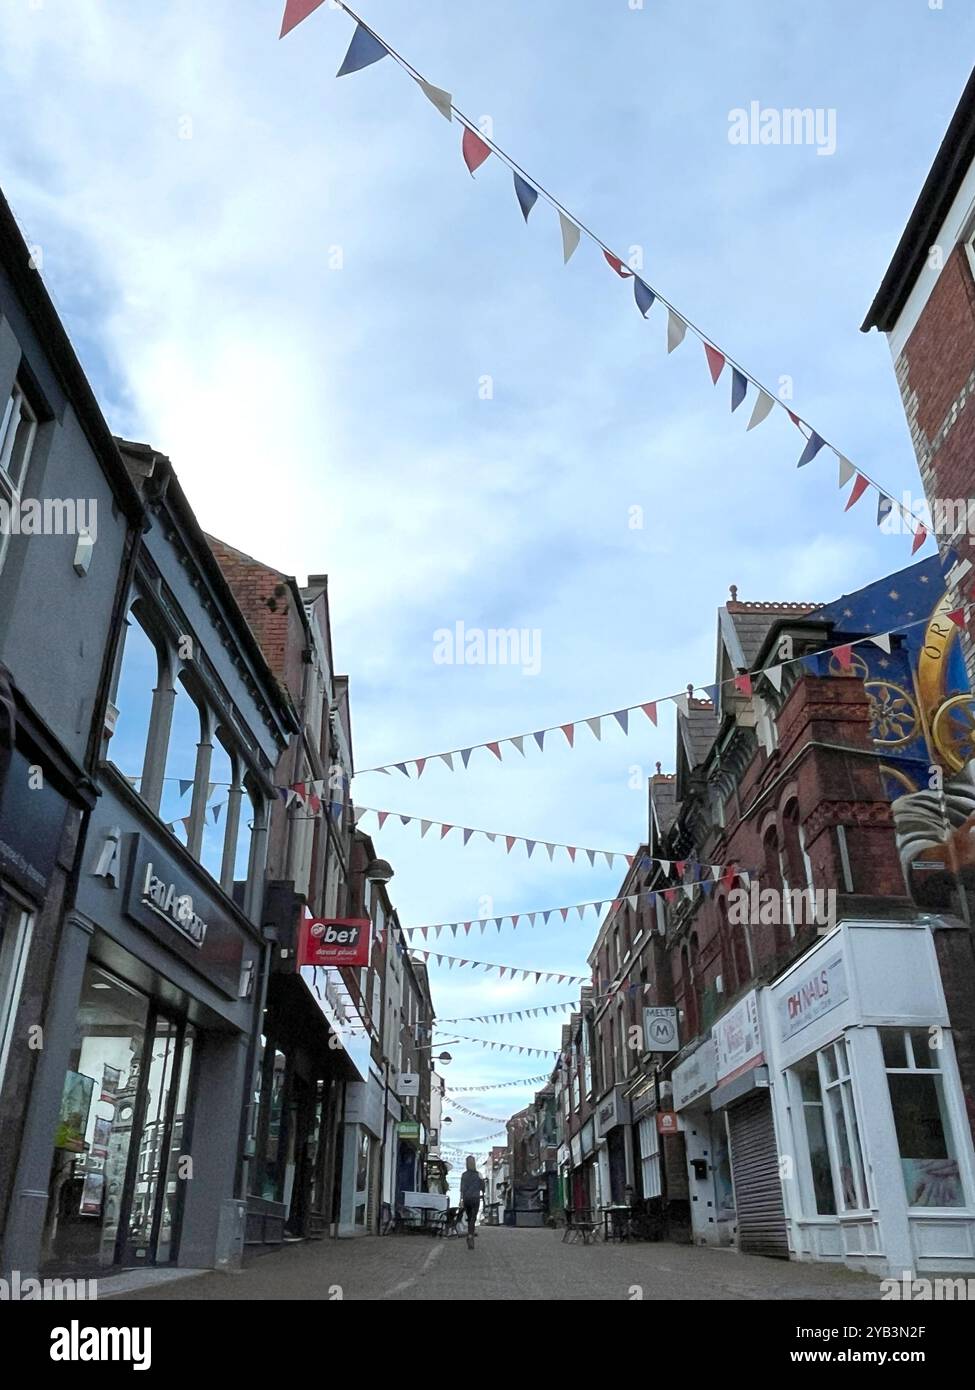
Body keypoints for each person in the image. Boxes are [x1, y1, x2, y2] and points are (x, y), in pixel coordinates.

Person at [459, 1155, 485, 1249]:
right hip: (475, 1198)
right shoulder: (479, 1174)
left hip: (466, 1199)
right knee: (473, 1218)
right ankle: (470, 1235)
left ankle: (470, 1234)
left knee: (470, 1217)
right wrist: (482, 1192)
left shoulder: (464, 1175)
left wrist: (461, 1200)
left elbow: (462, 1189)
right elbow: (483, 1187)